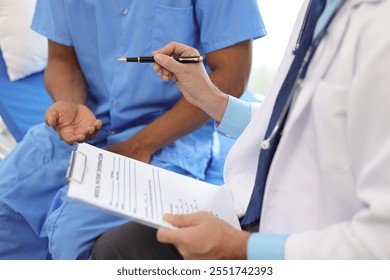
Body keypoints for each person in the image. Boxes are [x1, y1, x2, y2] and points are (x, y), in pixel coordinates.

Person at [91, 0, 390, 260]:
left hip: (304, 245)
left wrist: (243, 248)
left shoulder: (379, 30)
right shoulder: (319, 8)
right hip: (256, 212)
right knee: (118, 246)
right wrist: (212, 99)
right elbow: (303, 125)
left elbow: (380, 245)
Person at [0, 0, 265, 259]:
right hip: (87, 124)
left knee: (74, 231)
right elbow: (61, 59)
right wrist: (72, 103)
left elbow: (233, 74)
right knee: (6, 205)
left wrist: (142, 144)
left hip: (170, 136)